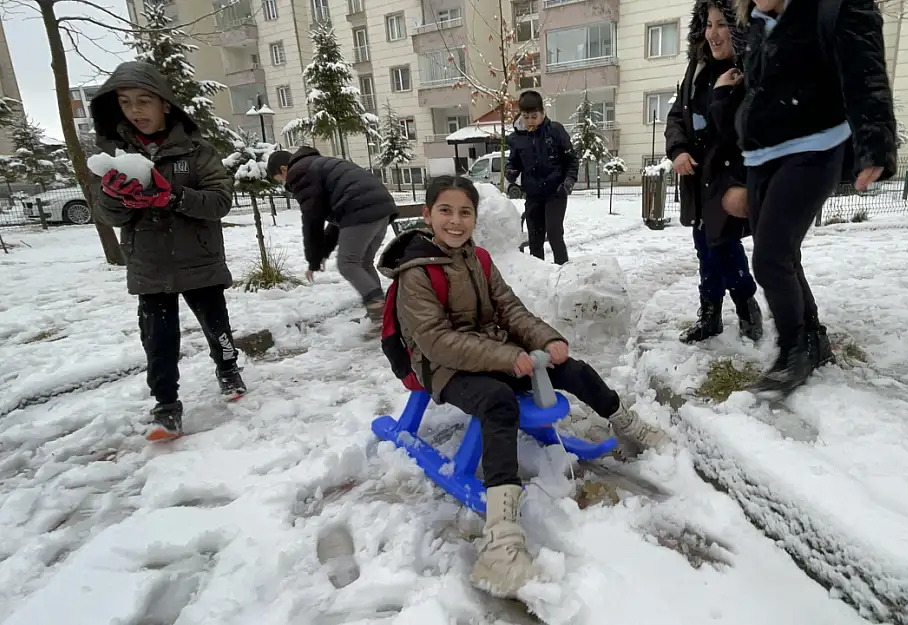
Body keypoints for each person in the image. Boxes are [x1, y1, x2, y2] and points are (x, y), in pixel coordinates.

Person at [378, 175, 667, 597]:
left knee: (574, 369)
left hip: (492, 352)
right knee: (497, 403)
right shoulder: (415, 274)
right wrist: (507, 358)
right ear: (426, 215)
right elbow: (436, 341)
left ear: (475, 218)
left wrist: (545, 339)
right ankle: (501, 541)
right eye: (445, 211)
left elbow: (510, 309)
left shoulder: (478, 258)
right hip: (442, 367)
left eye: (465, 212)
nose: (455, 221)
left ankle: (627, 423)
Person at [726, 0, 898, 397]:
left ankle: (793, 350)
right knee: (784, 254)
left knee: (769, 258)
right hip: (762, 157)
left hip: (814, 148)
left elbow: (865, 71)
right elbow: (756, 99)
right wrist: (738, 175)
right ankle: (813, 338)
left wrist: (875, 142)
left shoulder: (831, 6)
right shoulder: (760, 23)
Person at [90, 61, 246, 441]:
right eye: (126, 102)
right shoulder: (117, 155)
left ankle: (228, 369)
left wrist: (173, 196)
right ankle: (166, 406)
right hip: (150, 263)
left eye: (145, 100)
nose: (136, 110)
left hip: (199, 258)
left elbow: (219, 201)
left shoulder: (197, 151)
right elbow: (106, 214)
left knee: (216, 325)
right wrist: (117, 199)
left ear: (165, 105)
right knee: (158, 339)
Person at [666, 0, 763, 346]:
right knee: (705, 244)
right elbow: (677, 115)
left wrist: (724, 92)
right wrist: (678, 150)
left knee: (720, 242)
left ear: (738, 27)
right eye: (709, 24)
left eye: (722, 24)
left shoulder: (750, 70)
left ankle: (743, 304)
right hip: (697, 176)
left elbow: (742, 131)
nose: (713, 33)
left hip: (728, 173)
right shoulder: (697, 69)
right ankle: (712, 313)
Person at [267, 147, 398, 322]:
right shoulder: (317, 165)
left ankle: (380, 313)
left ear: (284, 169)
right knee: (363, 263)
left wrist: (313, 259)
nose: (284, 184)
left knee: (348, 264)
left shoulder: (299, 173)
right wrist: (322, 253)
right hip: (381, 207)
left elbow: (312, 220)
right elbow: (335, 222)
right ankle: (381, 314)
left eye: (280, 180)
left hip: (360, 209)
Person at [505, 91, 579, 265]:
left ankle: (563, 270)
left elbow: (571, 160)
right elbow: (514, 162)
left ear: (543, 113)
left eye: (534, 116)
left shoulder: (555, 131)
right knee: (535, 239)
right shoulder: (517, 138)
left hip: (556, 191)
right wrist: (511, 170)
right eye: (526, 117)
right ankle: (539, 276)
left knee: (554, 234)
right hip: (533, 195)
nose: (530, 121)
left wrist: (569, 181)